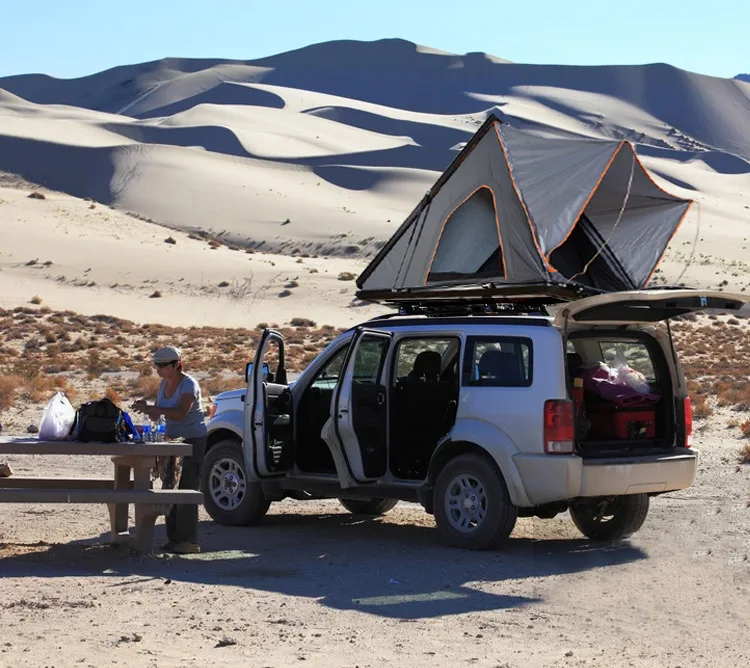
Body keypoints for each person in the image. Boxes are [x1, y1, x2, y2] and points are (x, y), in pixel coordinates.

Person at [131, 346, 207, 555]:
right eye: (157, 365)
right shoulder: (164, 384)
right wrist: (146, 408)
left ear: (176, 365)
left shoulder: (189, 385)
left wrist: (155, 410)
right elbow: (159, 415)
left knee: (186, 490)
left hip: (191, 442)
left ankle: (189, 540)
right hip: (170, 443)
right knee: (169, 488)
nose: (159, 369)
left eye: (164, 365)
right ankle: (173, 539)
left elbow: (181, 412)